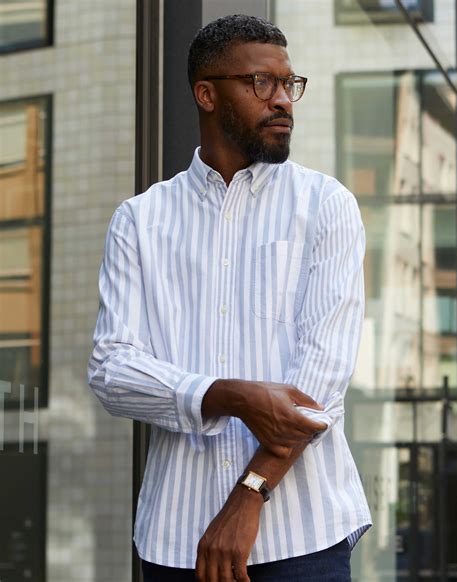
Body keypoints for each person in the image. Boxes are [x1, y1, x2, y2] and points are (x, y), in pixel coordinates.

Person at [88, 14, 372, 582]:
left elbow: (318, 385)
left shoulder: (326, 205)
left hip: (302, 538)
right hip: (175, 538)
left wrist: (250, 494)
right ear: (207, 93)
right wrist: (228, 395)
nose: (284, 100)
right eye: (262, 83)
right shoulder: (140, 221)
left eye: (290, 85)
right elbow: (112, 369)